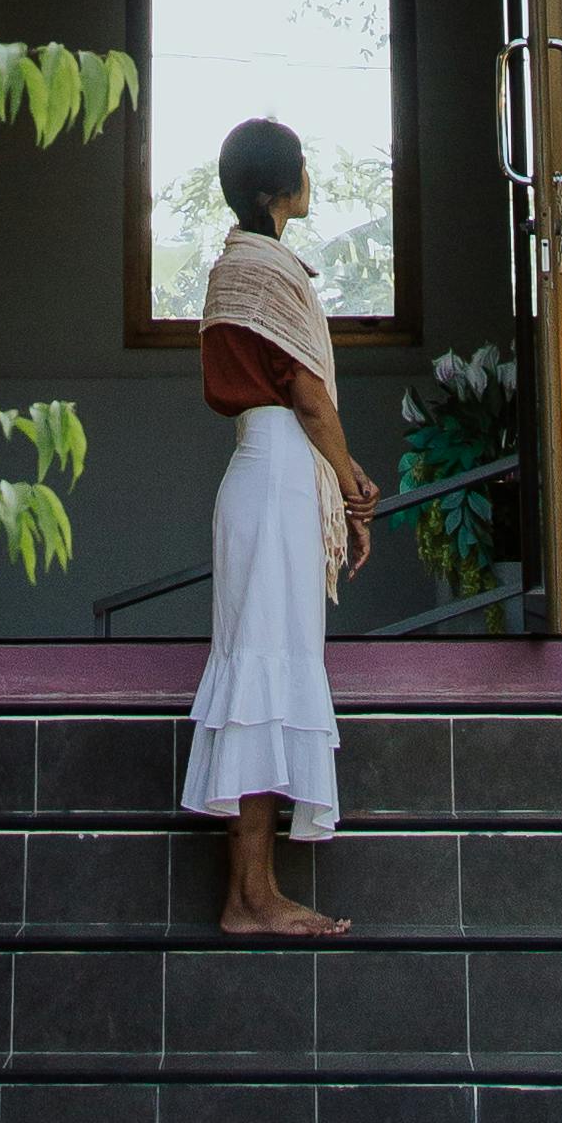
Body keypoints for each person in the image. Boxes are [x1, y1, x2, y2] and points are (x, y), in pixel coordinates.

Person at [184, 114, 383, 940]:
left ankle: (252, 892)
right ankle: (253, 898)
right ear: (280, 190)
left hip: (262, 479)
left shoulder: (238, 267)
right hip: (278, 478)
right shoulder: (268, 273)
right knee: (265, 670)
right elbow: (306, 394)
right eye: (301, 167)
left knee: (261, 667)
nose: (311, 178)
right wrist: (351, 478)